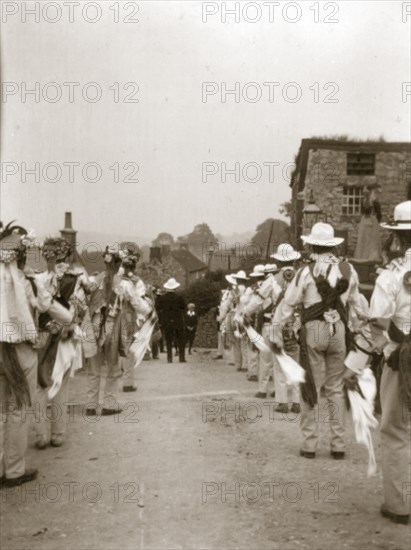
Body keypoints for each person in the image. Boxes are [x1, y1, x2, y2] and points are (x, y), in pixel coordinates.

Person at [273, 223, 367, 460]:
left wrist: (279, 330)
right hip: (339, 331)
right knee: (335, 389)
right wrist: (357, 328)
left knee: (310, 386)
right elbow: (358, 304)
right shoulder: (348, 270)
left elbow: (289, 302)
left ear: (311, 245)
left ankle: (310, 444)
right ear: (333, 246)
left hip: (314, 330)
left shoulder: (305, 271)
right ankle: (338, 445)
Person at [365, 199, 411, 525]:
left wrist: (384, 349)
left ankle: (399, 505)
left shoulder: (392, 276)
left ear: (399, 237)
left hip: (402, 359)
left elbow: (377, 320)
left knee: (395, 430)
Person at [0, 222, 53, 487]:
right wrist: (35, 278)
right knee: (20, 408)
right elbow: (43, 305)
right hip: (20, 348)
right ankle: (14, 470)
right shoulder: (22, 279)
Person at [35, 237, 88, 449]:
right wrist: (71, 323)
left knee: (40, 383)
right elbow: (82, 308)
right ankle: (58, 433)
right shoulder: (77, 280)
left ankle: (41, 435)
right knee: (61, 385)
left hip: (43, 335)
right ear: (65, 257)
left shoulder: (37, 280)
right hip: (65, 336)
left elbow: (35, 309)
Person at [269, 244, 302, 413]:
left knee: (279, 363)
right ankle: (296, 402)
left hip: (277, 323)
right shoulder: (301, 277)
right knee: (295, 363)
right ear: (294, 258)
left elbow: (262, 301)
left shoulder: (274, 279)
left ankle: (282, 402)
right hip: (296, 322)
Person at [156, 278, 186, 363]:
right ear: (175, 288)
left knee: (168, 340)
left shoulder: (162, 298)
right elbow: (184, 307)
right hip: (178, 320)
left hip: (167, 321)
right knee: (180, 339)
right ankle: (181, 358)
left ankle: (169, 358)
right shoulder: (179, 297)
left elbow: (157, 307)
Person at [354, 185, 382, 261]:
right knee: (363, 238)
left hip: (373, 221)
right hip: (364, 221)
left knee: (372, 240)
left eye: (366, 192)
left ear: (370, 192)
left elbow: (379, 214)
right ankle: (363, 256)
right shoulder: (363, 201)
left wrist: (376, 222)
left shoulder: (375, 202)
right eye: (364, 192)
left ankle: (372, 256)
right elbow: (362, 212)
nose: (364, 194)